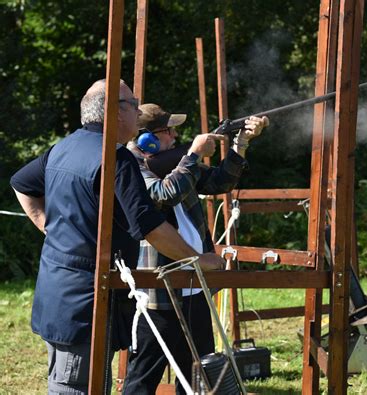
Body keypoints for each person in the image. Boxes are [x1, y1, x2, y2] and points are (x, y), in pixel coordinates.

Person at [9, 80, 224, 395]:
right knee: (79, 386)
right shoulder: (116, 157)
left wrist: (49, 228)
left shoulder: (64, 147)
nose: (138, 112)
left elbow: (21, 183)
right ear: (115, 111)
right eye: (133, 104)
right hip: (86, 299)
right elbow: (149, 226)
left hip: (58, 292)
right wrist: (198, 259)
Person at [122, 103, 268, 394]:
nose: (176, 136)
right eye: (169, 130)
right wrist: (192, 154)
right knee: (143, 378)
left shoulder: (175, 162)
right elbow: (164, 194)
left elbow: (220, 181)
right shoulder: (130, 165)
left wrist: (240, 145)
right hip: (159, 290)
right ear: (146, 138)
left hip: (196, 287)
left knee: (199, 373)